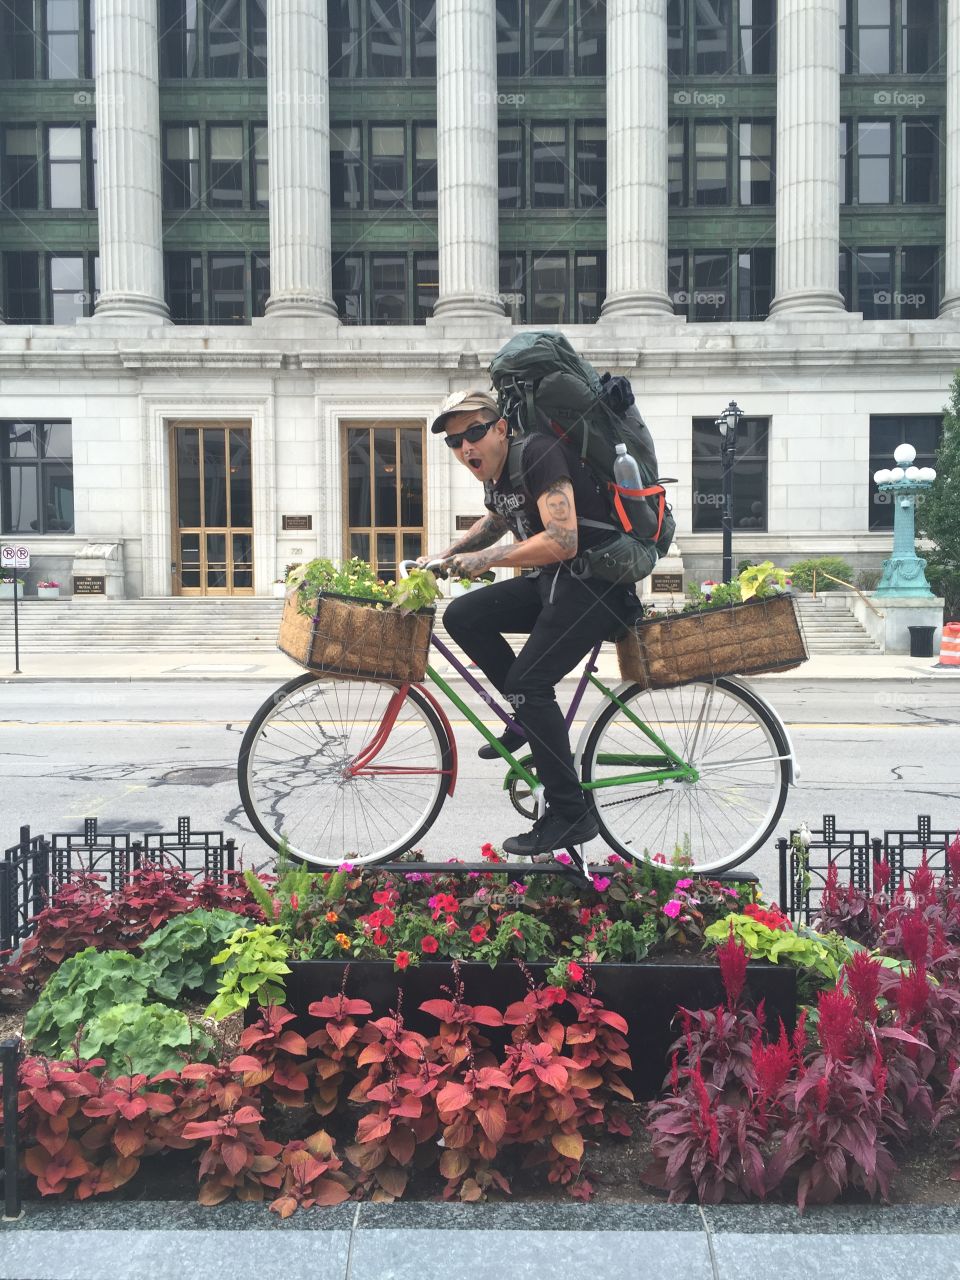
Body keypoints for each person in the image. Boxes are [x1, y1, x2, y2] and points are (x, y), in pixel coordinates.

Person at [422, 388, 641, 857]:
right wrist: (444, 557)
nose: (466, 448)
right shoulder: (498, 475)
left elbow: (562, 540)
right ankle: (525, 720)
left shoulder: (538, 452)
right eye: (455, 442)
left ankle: (571, 814)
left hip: (595, 587)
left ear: (501, 428)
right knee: (464, 614)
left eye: (475, 433)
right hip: (557, 584)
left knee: (529, 681)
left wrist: (487, 560)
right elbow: (497, 521)